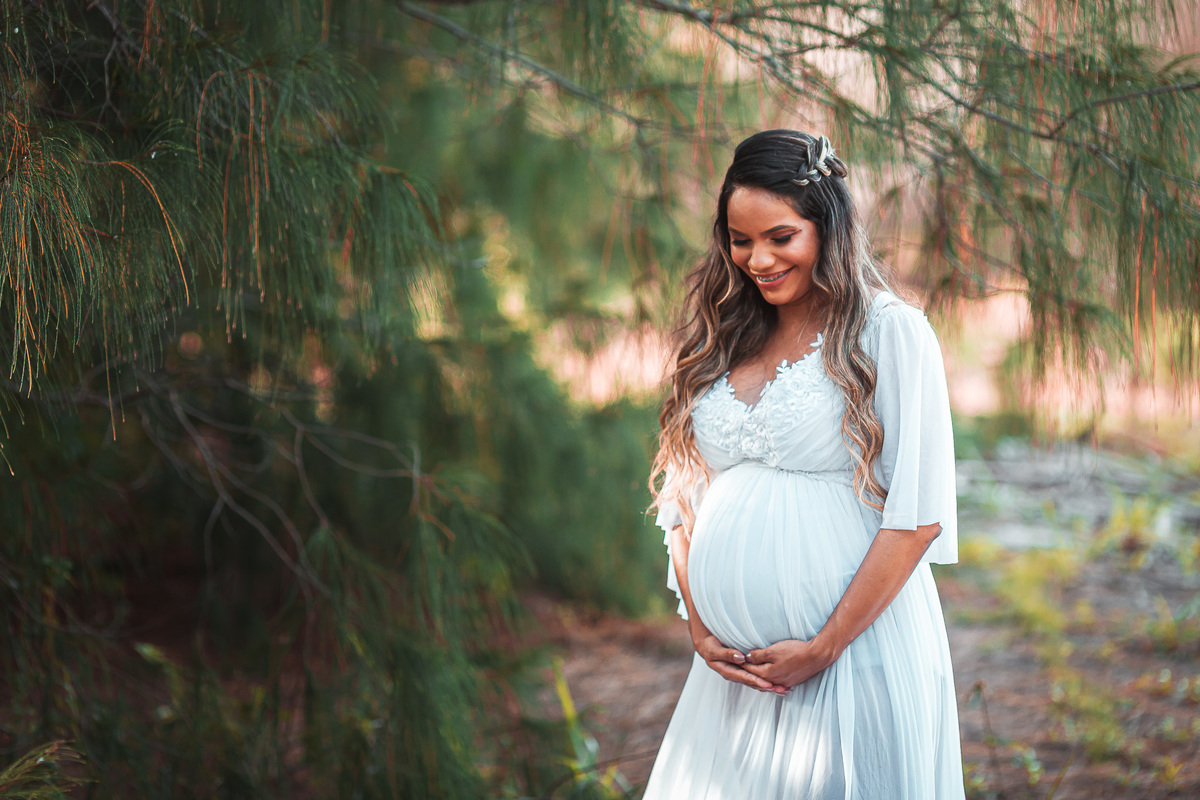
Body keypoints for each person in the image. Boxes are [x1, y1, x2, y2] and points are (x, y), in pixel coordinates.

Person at [645, 130, 964, 798]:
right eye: (740, 240)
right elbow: (683, 499)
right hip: (733, 679)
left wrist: (825, 645)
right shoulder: (725, 334)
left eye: (781, 237)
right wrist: (703, 628)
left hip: (856, 657)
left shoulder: (889, 331)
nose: (757, 259)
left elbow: (918, 516)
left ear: (828, 226)